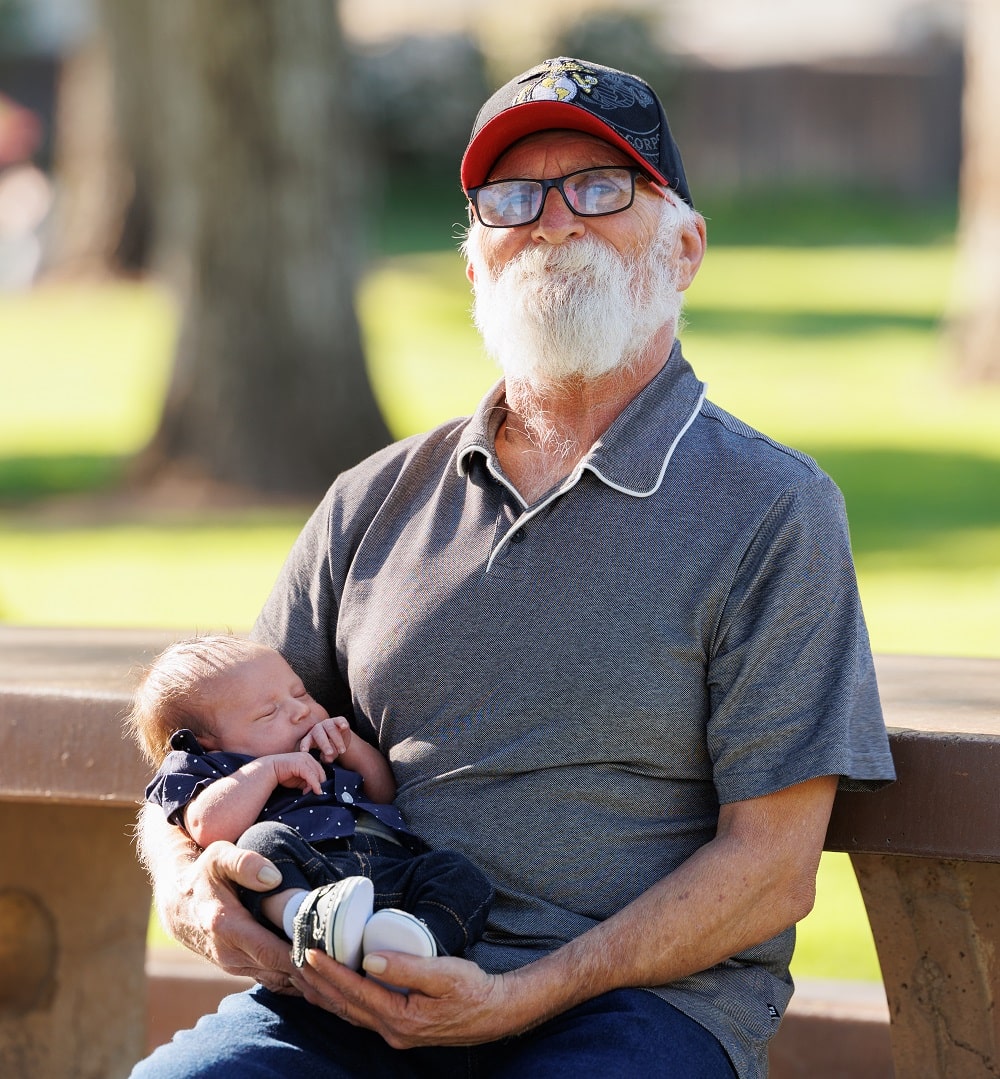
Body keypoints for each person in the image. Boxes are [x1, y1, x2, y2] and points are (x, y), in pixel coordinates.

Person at [130, 56, 896, 1079]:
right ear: (474, 261)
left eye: (600, 185)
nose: (552, 220)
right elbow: (207, 749)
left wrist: (515, 997)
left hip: (626, 1009)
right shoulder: (373, 498)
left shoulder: (771, 509)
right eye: (512, 196)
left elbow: (771, 868)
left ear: (686, 247)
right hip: (347, 992)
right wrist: (185, 884)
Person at [130, 635, 494, 973]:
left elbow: (384, 793)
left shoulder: (320, 746)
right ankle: (305, 917)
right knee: (262, 845)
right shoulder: (207, 768)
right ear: (207, 744)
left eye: (300, 693)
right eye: (268, 713)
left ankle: (416, 940)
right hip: (308, 873)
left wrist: (350, 747)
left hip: (390, 869)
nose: (300, 711)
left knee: (456, 873)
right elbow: (208, 827)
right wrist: (268, 770)